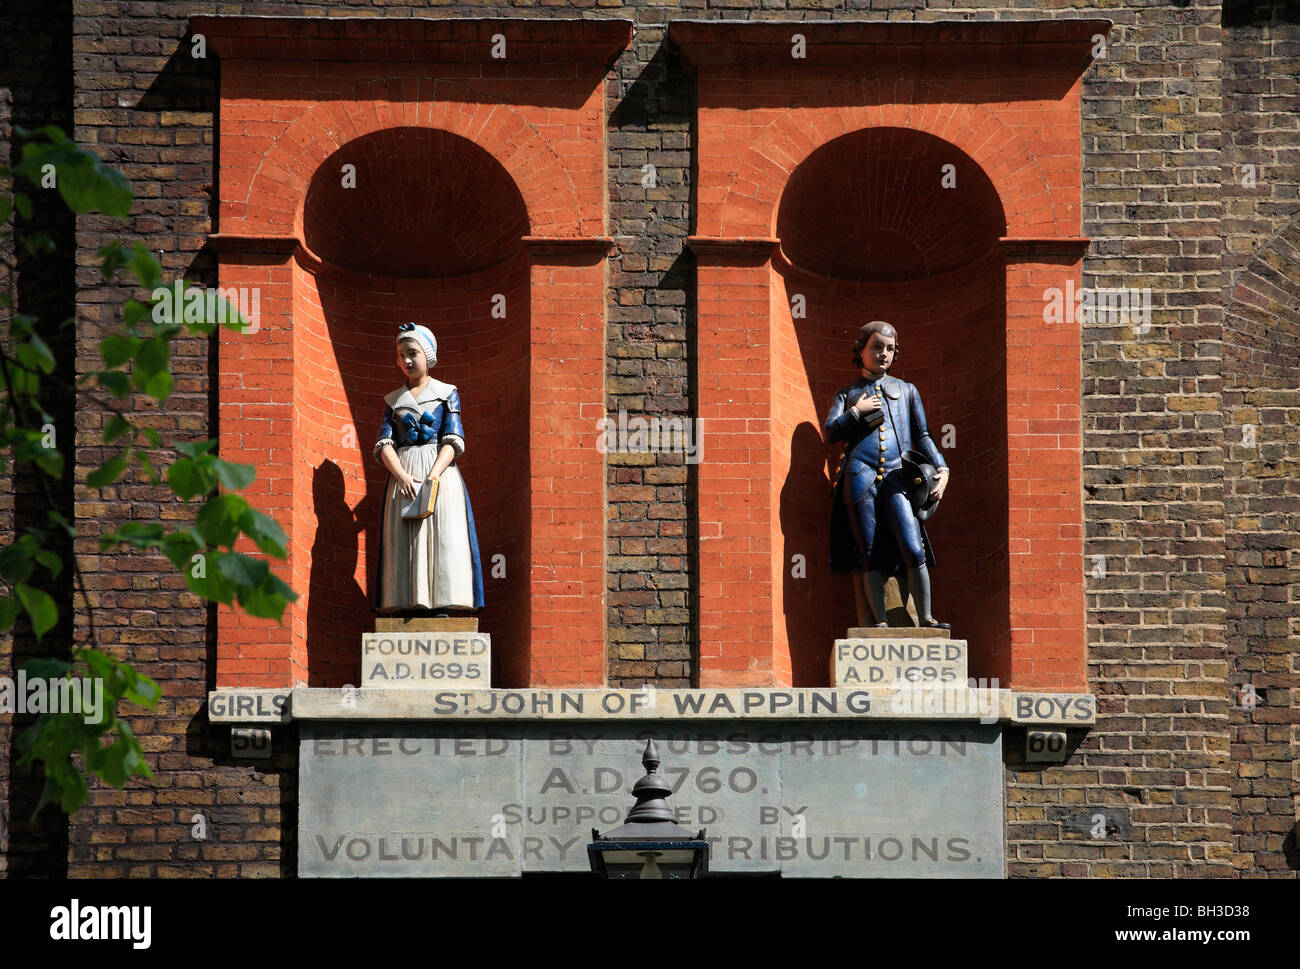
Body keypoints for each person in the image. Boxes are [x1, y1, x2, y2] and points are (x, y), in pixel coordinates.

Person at [824, 320, 950, 629]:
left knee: (912, 545)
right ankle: (878, 621)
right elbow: (829, 432)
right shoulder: (849, 392)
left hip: (898, 477)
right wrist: (856, 411)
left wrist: (942, 468)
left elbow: (923, 435)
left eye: (890, 349)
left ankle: (926, 618)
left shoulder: (906, 390)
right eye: (877, 347)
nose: (884, 354)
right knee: (867, 550)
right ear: (861, 350)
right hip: (859, 476)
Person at [373, 322, 484, 615]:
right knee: (405, 540)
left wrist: (434, 474)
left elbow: (453, 439)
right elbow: (385, 443)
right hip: (405, 474)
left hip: (439, 475)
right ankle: (406, 602)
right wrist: (401, 475)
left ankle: (441, 602)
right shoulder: (393, 400)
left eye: (412, 353)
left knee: (442, 536)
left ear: (428, 355)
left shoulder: (447, 393)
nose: (406, 361)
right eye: (401, 355)